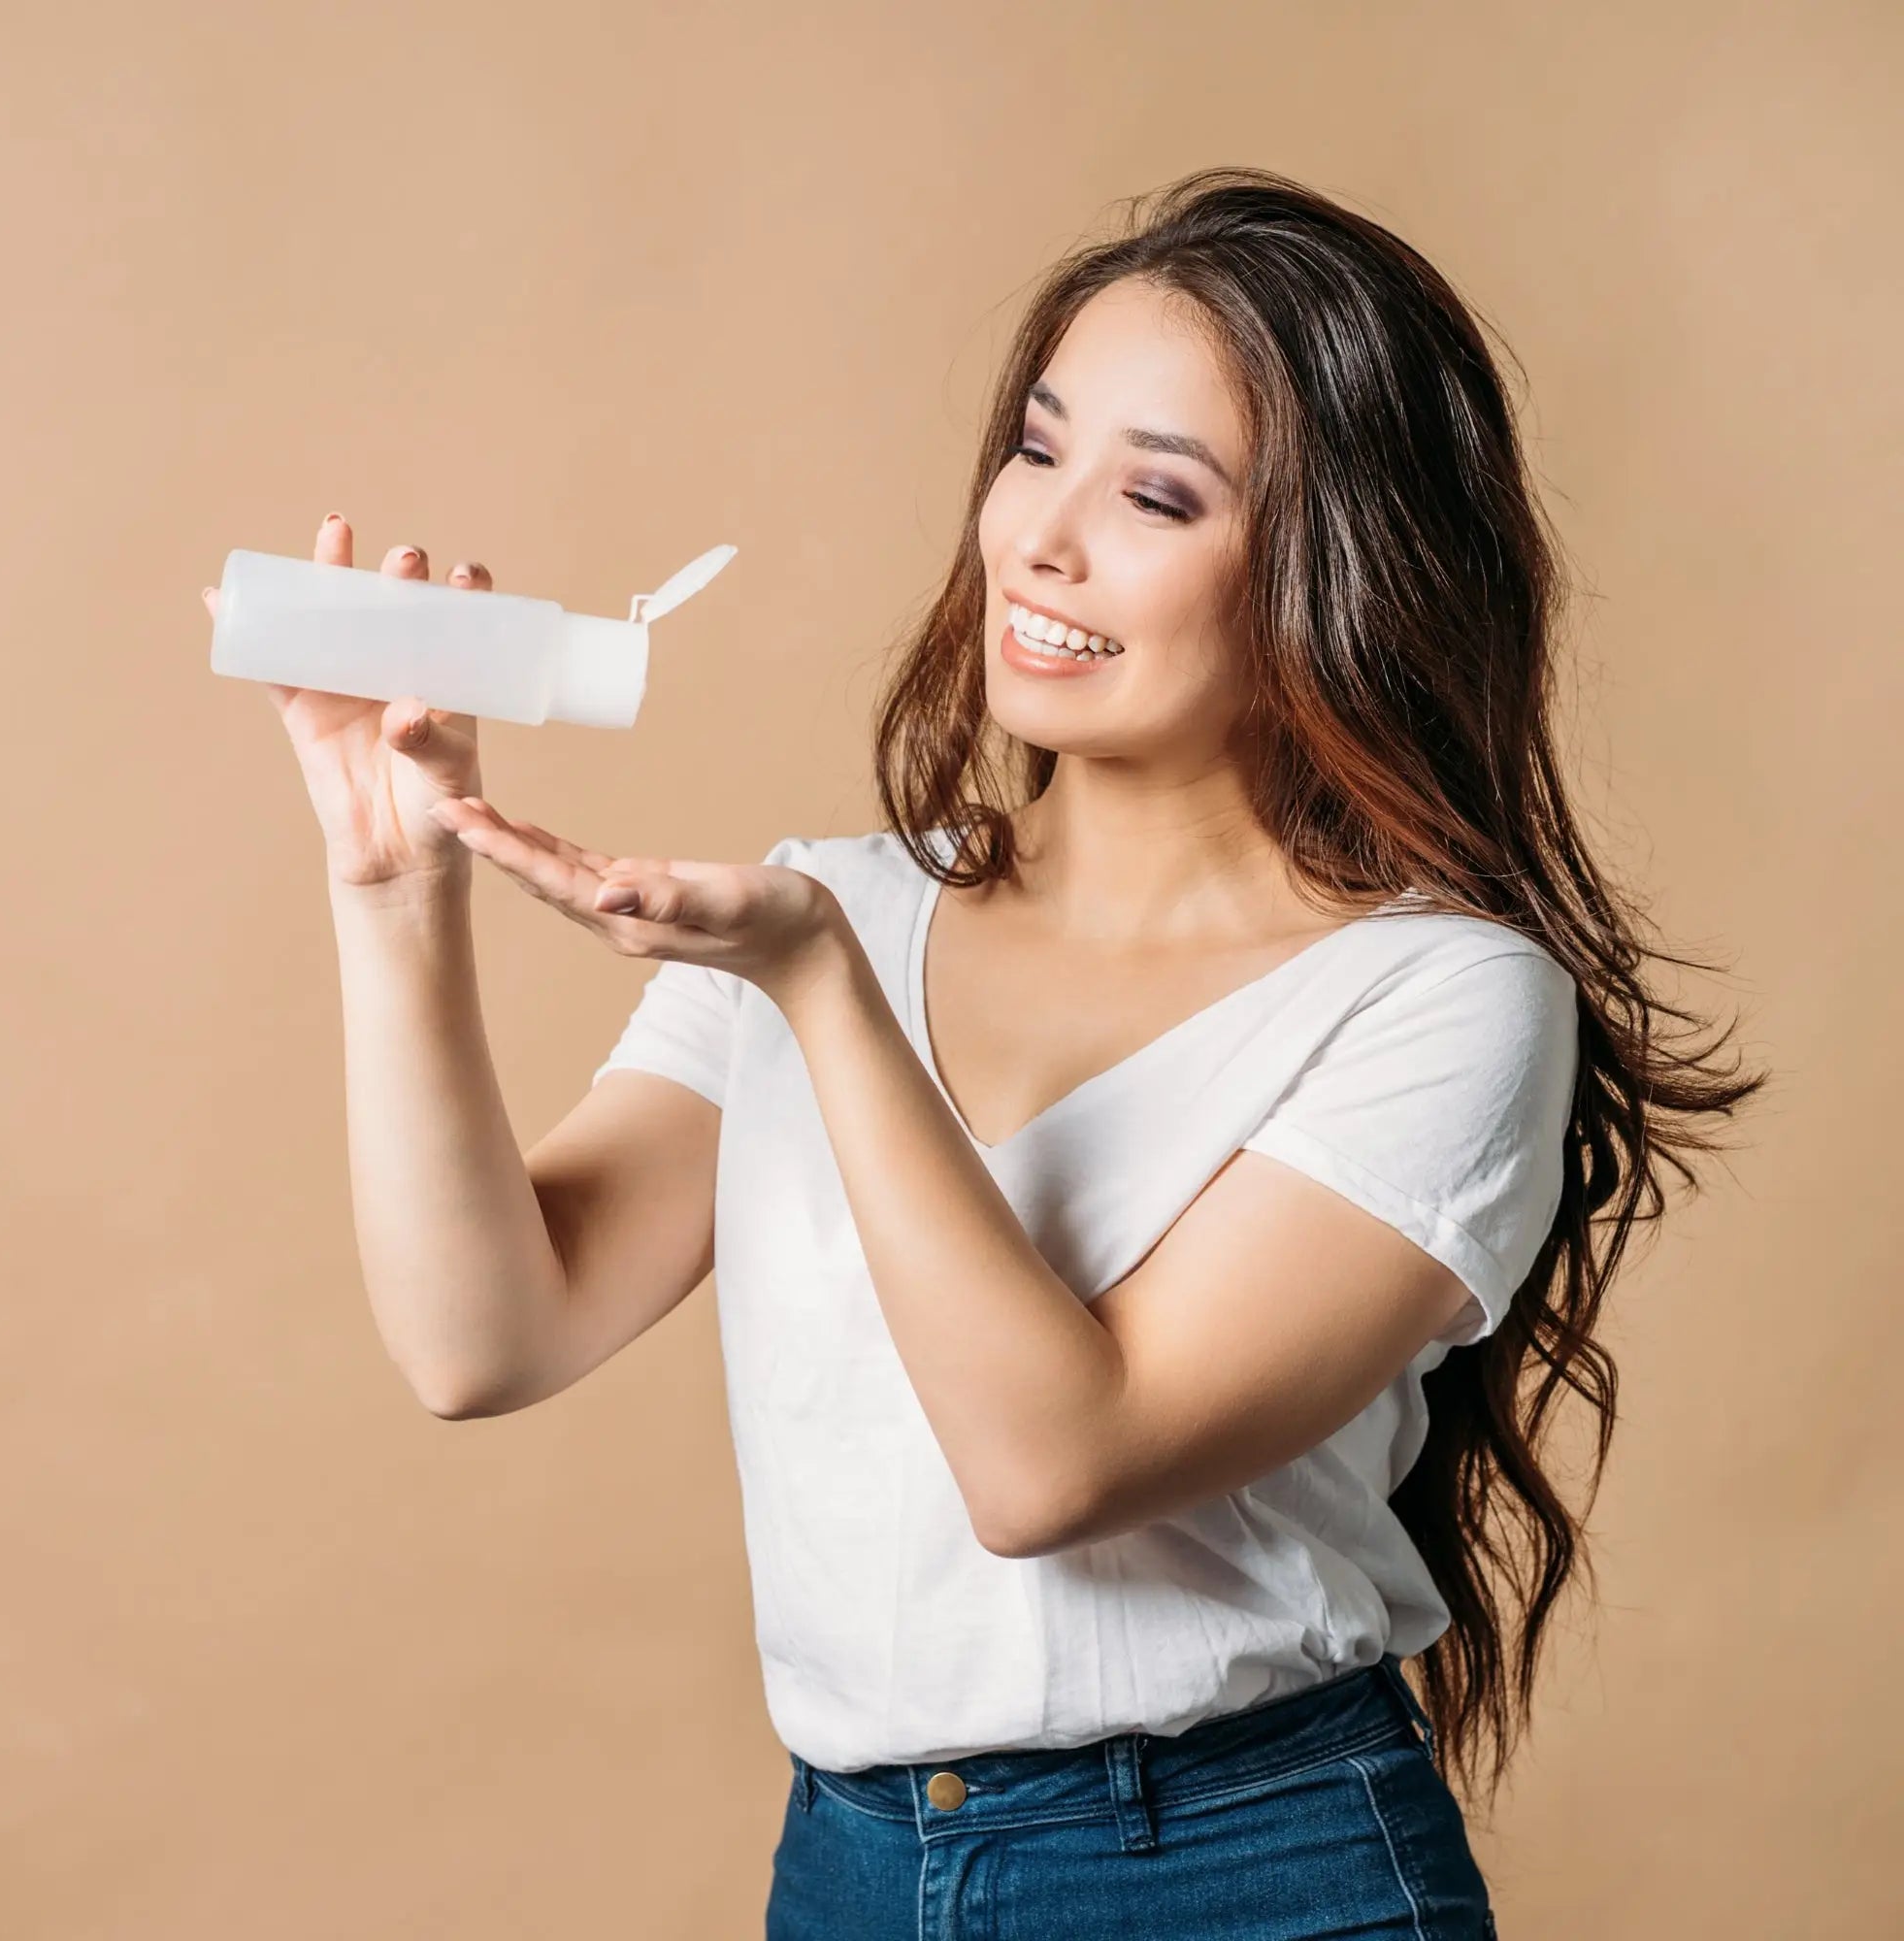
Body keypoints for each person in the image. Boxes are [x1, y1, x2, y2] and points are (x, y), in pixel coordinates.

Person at [205, 166, 1765, 1940]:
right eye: (1038, 449)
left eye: (1157, 494)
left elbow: (1052, 1466)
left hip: (1247, 1873)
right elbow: (484, 1335)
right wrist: (394, 883)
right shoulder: (828, 905)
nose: (1041, 534)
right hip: (857, 1868)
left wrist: (823, 994)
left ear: (1336, 576)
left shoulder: (1444, 1001)